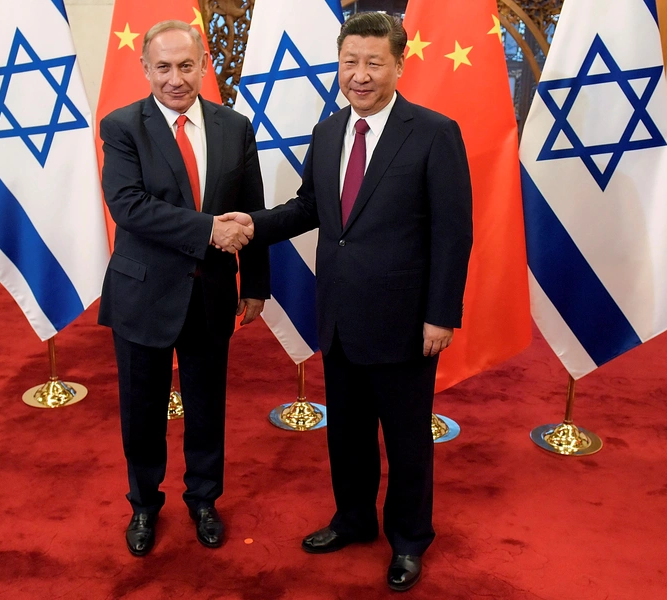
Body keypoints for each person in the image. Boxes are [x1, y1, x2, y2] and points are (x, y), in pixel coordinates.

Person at [219, 12, 471, 591]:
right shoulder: (330, 130)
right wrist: (251, 225)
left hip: (407, 321)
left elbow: (453, 234)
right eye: (349, 62)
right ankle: (354, 519)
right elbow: (311, 207)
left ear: (399, 65)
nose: (359, 76)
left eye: (373, 63)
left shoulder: (434, 132)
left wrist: (441, 313)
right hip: (337, 313)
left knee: (407, 440)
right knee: (348, 433)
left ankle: (409, 540)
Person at [98, 20, 270, 557]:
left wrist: (256, 284)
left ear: (203, 66)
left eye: (187, 65)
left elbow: (253, 210)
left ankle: (204, 500)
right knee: (142, 410)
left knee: (206, 407)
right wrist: (208, 230)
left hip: (212, 293)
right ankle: (145, 505)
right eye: (164, 67)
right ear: (146, 69)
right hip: (142, 293)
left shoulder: (235, 127)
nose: (177, 78)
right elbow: (127, 205)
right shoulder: (122, 126)